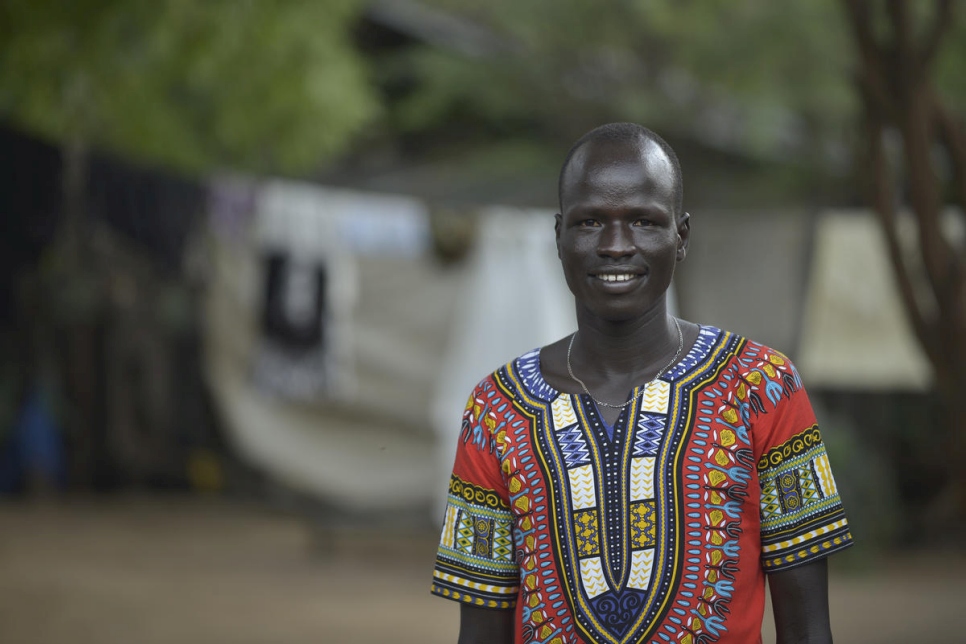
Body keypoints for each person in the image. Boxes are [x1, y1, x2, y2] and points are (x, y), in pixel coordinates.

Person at [431, 122, 853, 644]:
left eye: (644, 222)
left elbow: (810, 630)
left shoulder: (764, 386)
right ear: (558, 236)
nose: (615, 245)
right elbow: (479, 632)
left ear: (682, 237)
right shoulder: (496, 408)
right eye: (589, 222)